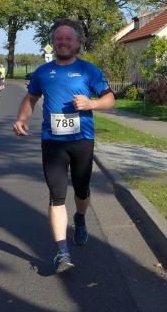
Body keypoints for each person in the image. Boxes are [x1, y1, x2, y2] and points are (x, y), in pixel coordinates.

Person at [13, 19, 115, 273]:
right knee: (57, 195)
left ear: (77, 42)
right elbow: (31, 98)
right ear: (53, 42)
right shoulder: (43, 72)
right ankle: (62, 252)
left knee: (81, 190)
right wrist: (22, 118)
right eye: (59, 38)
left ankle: (80, 218)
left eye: (68, 38)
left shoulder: (88, 70)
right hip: (53, 142)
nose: (63, 42)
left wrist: (92, 104)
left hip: (82, 140)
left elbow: (110, 98)